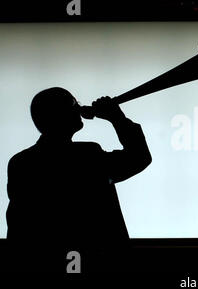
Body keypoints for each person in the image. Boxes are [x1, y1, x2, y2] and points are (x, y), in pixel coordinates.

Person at [6, 87, 152, 272]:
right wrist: (116, 117)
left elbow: (19, 228)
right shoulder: (88, 156)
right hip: (98, 262)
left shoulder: (21, 163)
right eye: (74, 104)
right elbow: (139, 157)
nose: (79, 107)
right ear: (60, 114)